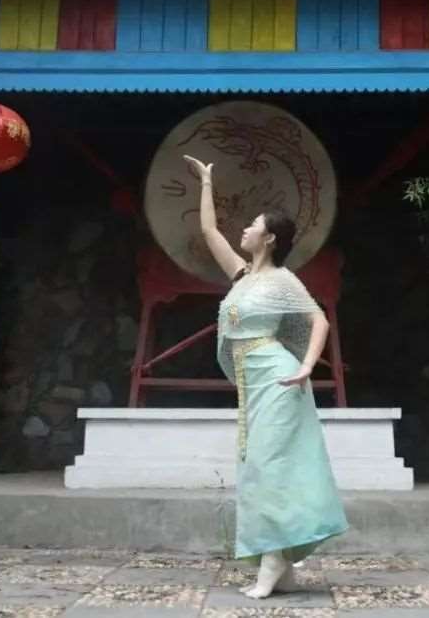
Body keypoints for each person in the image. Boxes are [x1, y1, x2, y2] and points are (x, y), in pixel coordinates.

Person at [183, 154, 349, 599]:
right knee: (257, 467)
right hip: (252, 382)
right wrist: (206, 182)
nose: (244, 229)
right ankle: (283, 564)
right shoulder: (241, 277)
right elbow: (209, 231)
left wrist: (306, 366)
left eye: (252, 225)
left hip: (278, 378)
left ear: (270, 238)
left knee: (269, 467)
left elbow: (318, 320)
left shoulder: (282, 280)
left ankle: (274, 560)